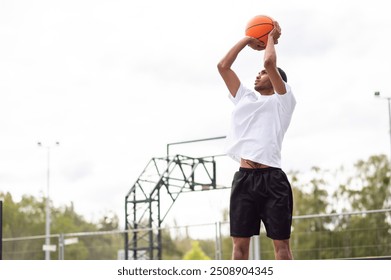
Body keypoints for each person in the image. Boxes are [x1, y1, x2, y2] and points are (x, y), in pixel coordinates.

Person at [217, 21, 296, 260]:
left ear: (276, 81)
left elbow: (269, 62)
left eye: (262, 75)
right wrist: (247, 40)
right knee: (239, 250)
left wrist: (270, 37)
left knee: (281, 248)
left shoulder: (284, 100)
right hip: (245, 179)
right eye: (259, 73)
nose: (258, 74)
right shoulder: (245, 98)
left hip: (273, 179)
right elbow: (223, 66)